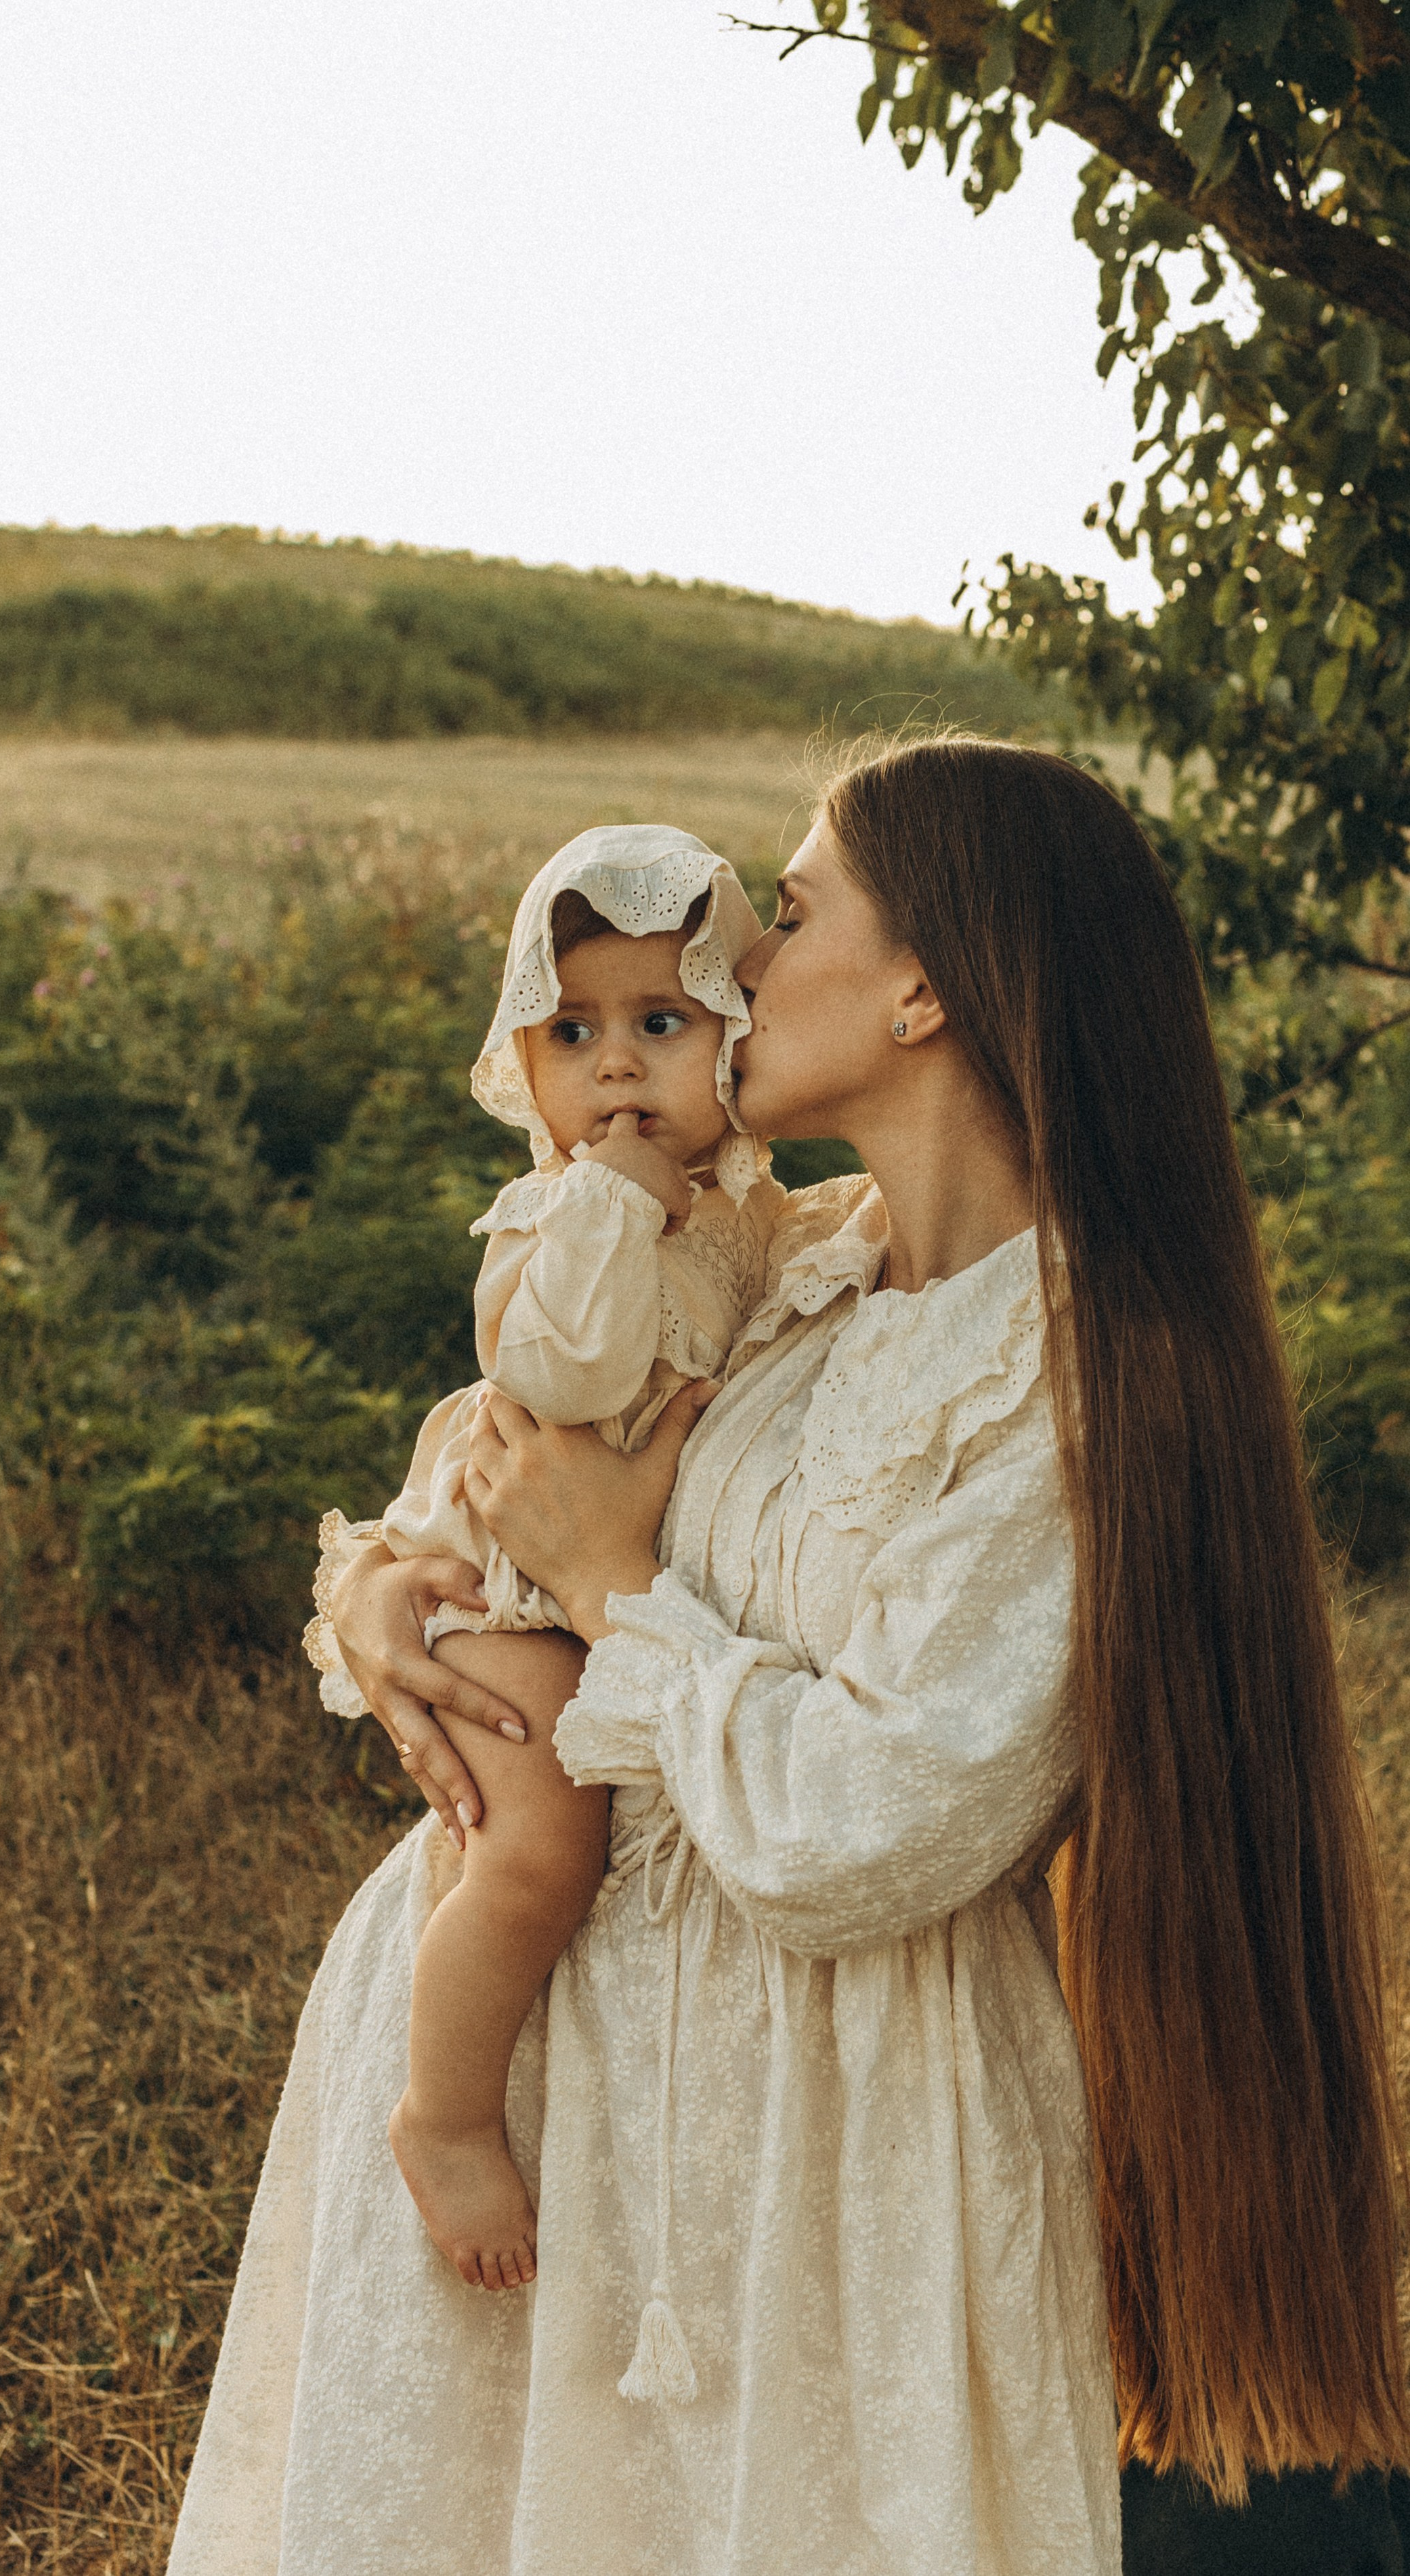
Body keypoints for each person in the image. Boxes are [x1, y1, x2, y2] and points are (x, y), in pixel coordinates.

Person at [169, 738, 1407, 2576]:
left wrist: (608, 1591)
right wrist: (397, 1574)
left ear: (926, 985)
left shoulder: (1075, 1370)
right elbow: (534, 1423)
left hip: (823, 2150)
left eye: (797, 905)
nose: (738, 966)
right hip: (539, 2096)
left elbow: (872, 1819)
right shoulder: (796, 1260)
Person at [303, 824, 781, 2296]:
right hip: (505, 1573)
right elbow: (564, 1375)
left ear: (735, 1031)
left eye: (662, 1022)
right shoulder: (561, 1206)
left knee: (537, 1838)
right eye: (573, 1033)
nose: (619, 1068)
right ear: (525, 1059)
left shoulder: (752, 1216)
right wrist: (621, 1203)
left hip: (591, 1577)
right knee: (533, 1848)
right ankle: (440, 2112)